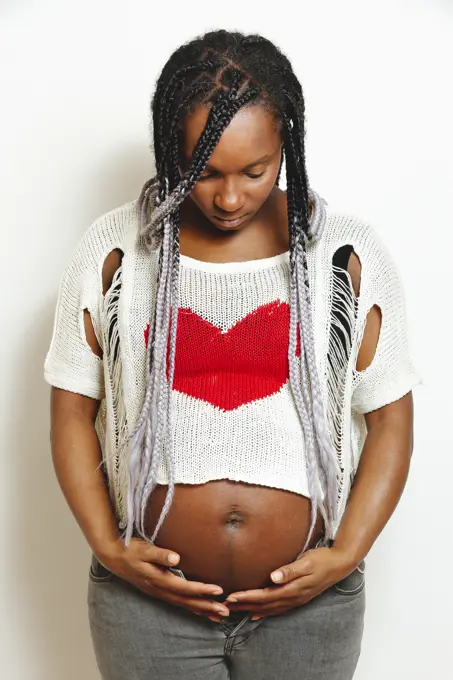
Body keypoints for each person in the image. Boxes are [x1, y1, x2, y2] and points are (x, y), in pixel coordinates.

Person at [44, 29, 421, 680]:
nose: (227, 197)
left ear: (287, 148)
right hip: (146, 608)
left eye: (254, 170)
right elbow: (72, 409)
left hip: (309, 609)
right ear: (170, 151)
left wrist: (345, 552)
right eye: (203, 171)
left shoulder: (344, 256)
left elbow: (390, 418)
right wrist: (107, 545)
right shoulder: (117, 251)